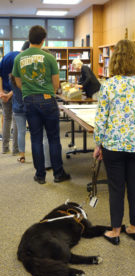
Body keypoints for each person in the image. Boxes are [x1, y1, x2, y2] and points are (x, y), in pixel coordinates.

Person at [93, 39, 135, 245]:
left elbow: (102, 118)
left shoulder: (108, 85)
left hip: (113, 145)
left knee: (116, 188)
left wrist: (98, 144)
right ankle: (134, 228)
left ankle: (116, 230)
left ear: (115, 60)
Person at [12, 25, 70, 184]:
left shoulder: (19, 58)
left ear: (29, 38)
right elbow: (56, 84)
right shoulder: (49, 57)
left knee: (36, 138)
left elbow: (17, 82)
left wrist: (30, 89)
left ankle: (40, 175)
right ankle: (58, 174)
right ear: (43, 40)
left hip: (29, 101)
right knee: (53, 138)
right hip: (47, 100)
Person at [0, 41, 30, 155]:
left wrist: (2, 92)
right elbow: (19, 83)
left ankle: (4, 148)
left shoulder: (7, 56)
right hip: (15, 93)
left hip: (4, 93)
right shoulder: (21, 60)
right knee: (17, 120)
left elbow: (0, 75)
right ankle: (15, 149)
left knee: (7, 118)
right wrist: (9, 94)